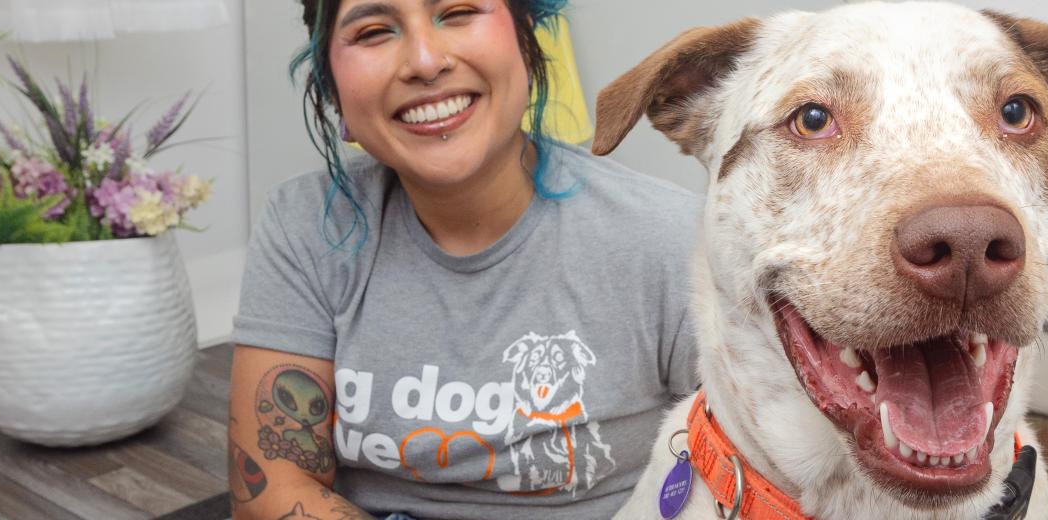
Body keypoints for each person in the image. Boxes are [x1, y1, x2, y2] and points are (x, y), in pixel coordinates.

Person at [227, 0, 700, 518]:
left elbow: (755, 476)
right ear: (333, 89)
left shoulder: (671, 237)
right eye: (373, 32)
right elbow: (275, 484)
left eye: (457, 11)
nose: (425, 61)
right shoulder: (305, 226)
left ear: (526, 38)